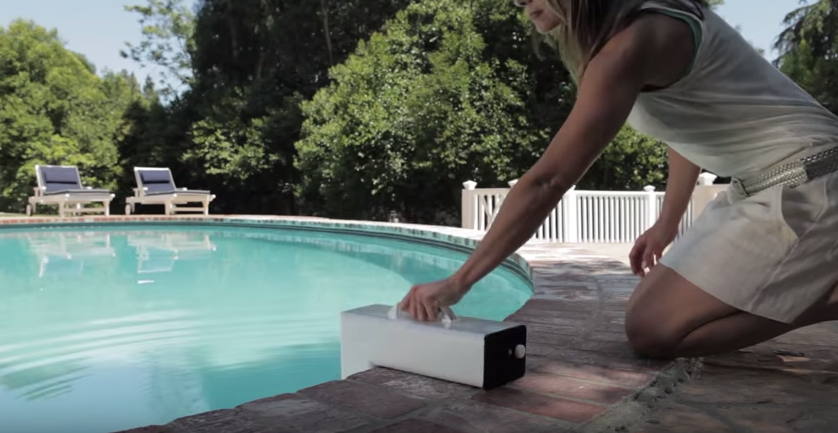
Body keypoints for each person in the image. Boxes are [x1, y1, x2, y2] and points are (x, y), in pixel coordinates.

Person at [398, 0, 838, 360]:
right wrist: (667, 223)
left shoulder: (631, 46)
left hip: (811, 180)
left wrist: (460, 281)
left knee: (653, 333)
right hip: (761, 185)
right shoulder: (649, 25)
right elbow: (685, 128)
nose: (518, 1)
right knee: (649, 313)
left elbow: (548, 181)